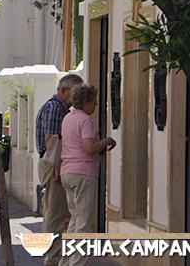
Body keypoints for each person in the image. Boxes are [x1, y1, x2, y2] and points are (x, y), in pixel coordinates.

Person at [60, 83, 116, 266]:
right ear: (85, 102)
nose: (96, 105)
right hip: (83, 173)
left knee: (74, 220)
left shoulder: (67, 118)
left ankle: (65, 261)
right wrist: (106, 141)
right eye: (94, 101)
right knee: (83, 222)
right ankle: (77, 263)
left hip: (67, 171)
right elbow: (89, 148)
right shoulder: (85, 120)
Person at [35, 74, 83, 266]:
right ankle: (52, 259)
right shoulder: (55, 108)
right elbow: (52, 140)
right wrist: (58, 167)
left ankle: (54, 257)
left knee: (58, 212)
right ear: (64, 90)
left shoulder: (57, 107)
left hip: (54, 164)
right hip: (53, 164)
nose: (77, 96)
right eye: (75, 91)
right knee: (55, 213)